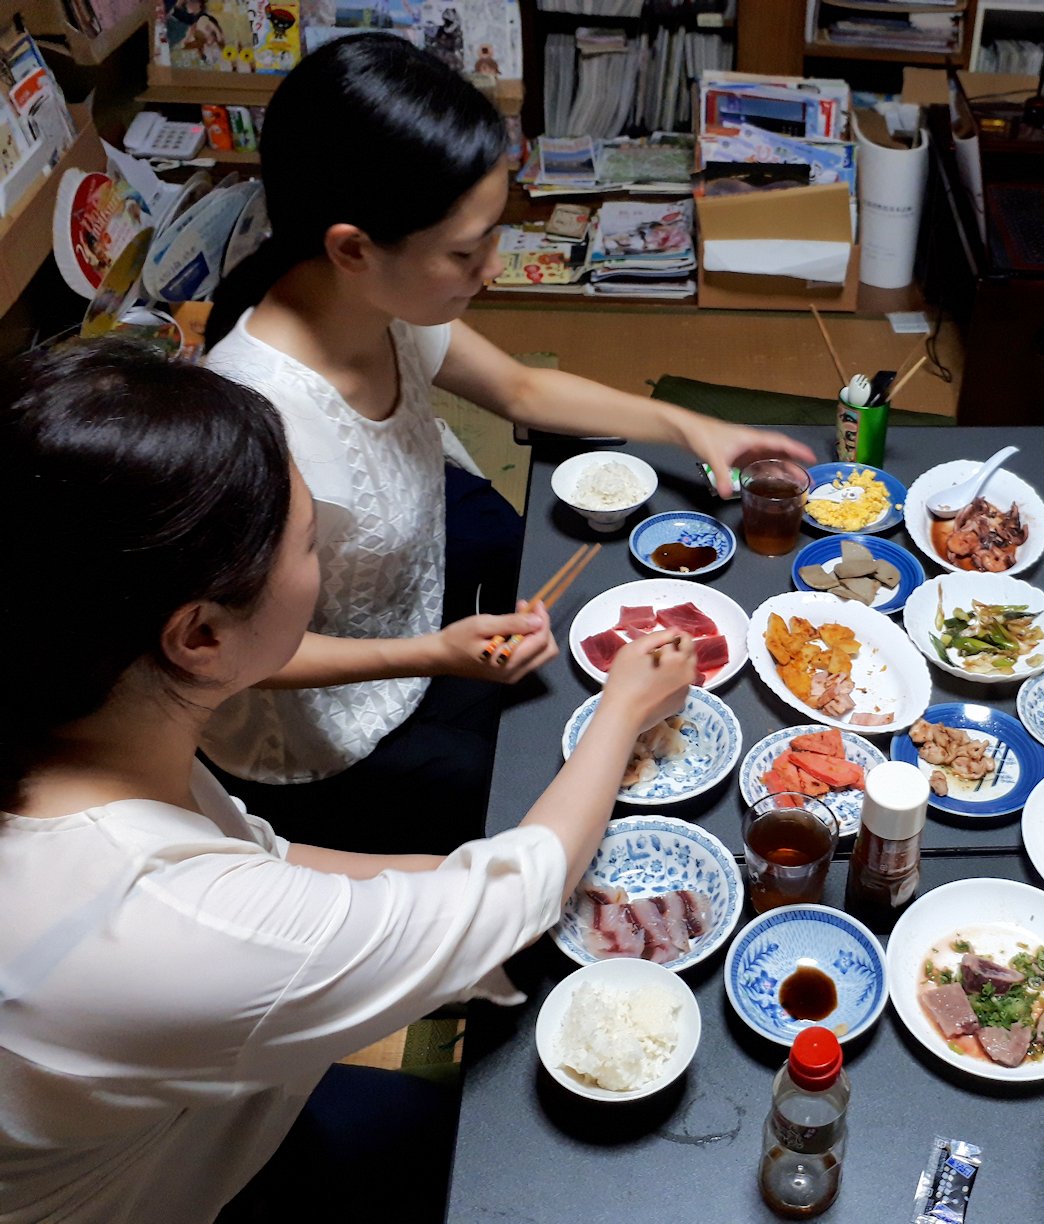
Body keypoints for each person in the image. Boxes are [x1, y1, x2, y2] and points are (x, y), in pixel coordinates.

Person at [0, 340, 696, 1222]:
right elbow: (507, 905)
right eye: (308, 545)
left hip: (199, 1106)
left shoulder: (82, 736)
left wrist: (454, 875)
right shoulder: (161, 927)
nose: (322, 561)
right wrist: (622, 713)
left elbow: (268, 858)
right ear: (202, 635)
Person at [199, 34, 814, 854]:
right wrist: (433, 655)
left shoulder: (370, 302)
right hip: (329, 739)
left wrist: (689, 424)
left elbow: (520, 389)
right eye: (466, 249)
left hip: (422, 608)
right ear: (353, 247)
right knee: (565, 790)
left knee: (593, 623)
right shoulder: (254, 418)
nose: (493, 269)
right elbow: (235, 658)